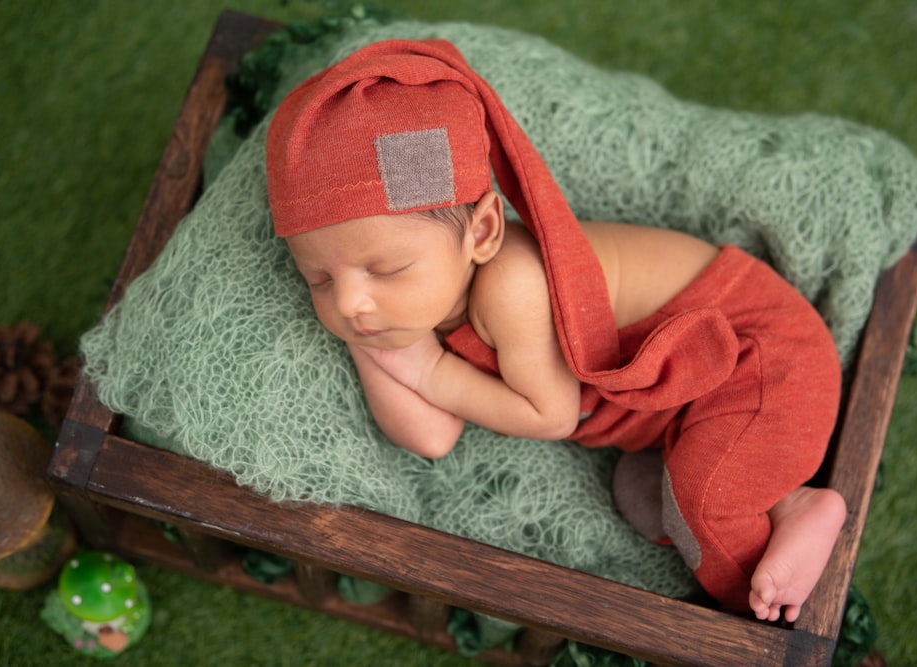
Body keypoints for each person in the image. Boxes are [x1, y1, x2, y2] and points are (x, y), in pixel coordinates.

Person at [266, 38, 847, 623]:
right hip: (681, 406)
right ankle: (772, 503)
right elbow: (431, 436)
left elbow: (551, 414)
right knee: (645, 500)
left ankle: (769, 605)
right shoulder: (405, 291)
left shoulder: (511, 282)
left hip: (759, 355)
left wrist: (431, 370)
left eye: (383, 270)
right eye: (316, 278)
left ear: (484, 231)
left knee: (703, 504)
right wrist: (370, 340)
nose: (348, 300)